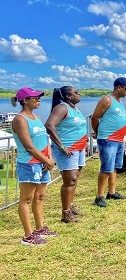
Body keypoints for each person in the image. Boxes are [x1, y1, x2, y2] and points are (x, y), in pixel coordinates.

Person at [11, 87, 56, 245]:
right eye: (35, 98)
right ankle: (28, 235)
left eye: (38, 97)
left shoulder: (36, 116)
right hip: (29, 163)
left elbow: (44, 139)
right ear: (25, 100)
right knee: (27, 199)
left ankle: (40, 228)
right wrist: (47, 160)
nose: (38, 100)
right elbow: (29, 147)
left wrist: (48, 157)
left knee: (40, 196)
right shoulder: (20, 119)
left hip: (42, 161)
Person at [45, 86, 87, 222]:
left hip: (79, 149)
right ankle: (65, 213)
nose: (79, 94)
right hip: (68, 150)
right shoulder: (62, 108)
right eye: (76, 92)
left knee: (75, 179)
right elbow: (49, 125)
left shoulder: (75, 108)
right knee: (70, 180)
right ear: (68, 96)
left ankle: (70, 205)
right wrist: (61, 146)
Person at [91, 77, 126, 207]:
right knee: (106, 168)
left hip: (119, 140)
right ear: (118, 87)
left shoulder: (119, 102)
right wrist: (98, 133)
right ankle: (99, 196)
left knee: (114, 167)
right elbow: (94, 118)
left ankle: (112, 192)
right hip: (108, 139)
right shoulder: (107, 100)